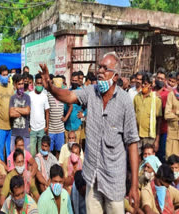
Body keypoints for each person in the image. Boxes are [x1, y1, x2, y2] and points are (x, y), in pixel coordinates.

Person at [39, 52, 140, 213]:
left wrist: (134, 185)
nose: (99, 71)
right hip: (92, 178)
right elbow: (69, 95)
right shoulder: (91, 92)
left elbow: (132, 144)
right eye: (99, 67)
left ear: (115, 76)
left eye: (104, 68)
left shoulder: (124, 101)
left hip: (114, 179)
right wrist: (50, 86)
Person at [134, 73, 162, 157]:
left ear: (150, 85)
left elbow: (159, 121)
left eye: (145, 84)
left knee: (149, 160)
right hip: (137, 135)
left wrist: (157, 140)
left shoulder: (156, 99)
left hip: (150, 136)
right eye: (142, 83)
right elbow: (133, 116)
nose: (143, 85)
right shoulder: (136, 97)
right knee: (137, 158)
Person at [0, 65, 14, 161]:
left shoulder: (11, 87)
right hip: (0, 125)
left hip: (10, 125)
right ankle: (1, 171)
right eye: (4, 75)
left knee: (9, 151)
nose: (5, 77)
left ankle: (9, 169)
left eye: (7, 75)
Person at [29, 73, 50, 157]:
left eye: (41, 83)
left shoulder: (44, 96)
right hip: (32, 129)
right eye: (38, 83)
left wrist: (47, 126)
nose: (39, 85)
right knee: (32, 153)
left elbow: (47, 111)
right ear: (34, 84)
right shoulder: (30, 95)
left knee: (41, 153)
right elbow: (28, 111)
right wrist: (28, 126)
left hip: (42, 128)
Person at [9, 74, 31, 151]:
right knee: (13, 156)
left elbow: (27, 111)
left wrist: (15, 108)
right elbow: (11, 114)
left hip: (25, 134)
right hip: (15, 134)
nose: (21, 86)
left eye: (22, 84)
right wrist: (23, 110)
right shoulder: (12, 98)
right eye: (19, 84)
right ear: (15, 84)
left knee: (26, 157)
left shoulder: (27, 97)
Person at [63, 72, 86, 145]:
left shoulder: (81, 92)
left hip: (76, 126)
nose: (74, 82)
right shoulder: (67, 92)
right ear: (70, 80)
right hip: (67, 126)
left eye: (76, 81)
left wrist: (83, 113)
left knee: (76, 148)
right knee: (67, 149)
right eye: (73, 80)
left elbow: (88, 106)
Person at [154, 68, 170, 163]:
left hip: (163, 129)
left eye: (161, 79)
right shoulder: (150, 91)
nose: (159, 80)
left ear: (165, 81)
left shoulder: (168, 94)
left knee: (161, 156)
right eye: (158, 78)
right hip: (150, 129)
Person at [48, 78, 65, 159]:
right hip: (51, 128)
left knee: (59, 150)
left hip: (60, 129)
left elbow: (71, 105)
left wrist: (66, 117)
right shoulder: (48, 95)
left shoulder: (63, 95)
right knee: (49, 150)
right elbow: (46, 110)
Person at [164, 72, 179, 159]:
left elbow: (171, 114)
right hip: (172, 136)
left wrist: (175, 111)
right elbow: (167, 115)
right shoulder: (171, 95)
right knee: (171, 162)